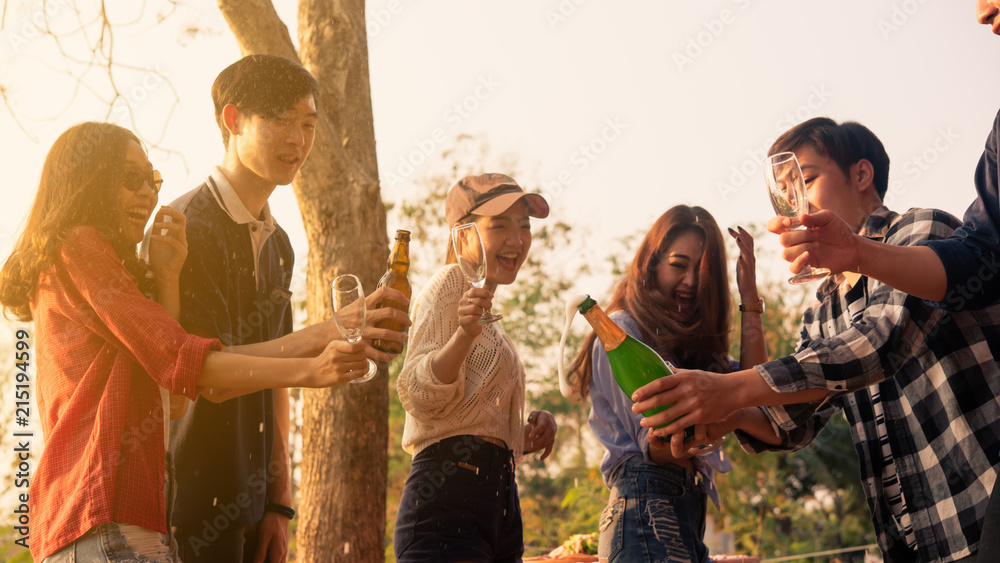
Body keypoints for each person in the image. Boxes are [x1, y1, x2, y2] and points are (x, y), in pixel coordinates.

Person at [630, 118, 1000, 562]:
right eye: (783, 191)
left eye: (806, 180)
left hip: (984, 516)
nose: (793, 204)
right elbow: (794, 420)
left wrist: (726, 389)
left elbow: (876, 346)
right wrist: (728, 415)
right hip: (916, 546)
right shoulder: (823, 312)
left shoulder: (922, 233)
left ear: (861, 176)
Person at [0, 122, 369, 562]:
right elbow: (184, 361)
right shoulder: (78, 247)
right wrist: (313, 362)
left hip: (126, 528)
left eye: (152, 180)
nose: (148, 194)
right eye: (130, 179)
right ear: (88, 181)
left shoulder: (104, 269)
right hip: (102, 522)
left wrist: (169, 277)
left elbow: (172, 398)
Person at [163, 54, 411, 563]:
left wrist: (279, 500)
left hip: (254, 507)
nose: (297, 139)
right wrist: (322, 345)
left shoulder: (279, 244)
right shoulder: (189, 229)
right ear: (232, 120)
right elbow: (205, 377)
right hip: (188, 507)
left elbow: (274, 379)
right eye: (280, 120)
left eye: (308, 124)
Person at [566, 205, 775, 562]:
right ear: (651, 263)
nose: (691, 281)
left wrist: (749, 296)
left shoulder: (695, 346)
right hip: (644, 501)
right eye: (678, 265)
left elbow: (757, 390)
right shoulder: (620, 334)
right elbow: (657, 449)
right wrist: (708, 424)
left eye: (703, 271)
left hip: (685, 510)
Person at [394, 173, 558, 563]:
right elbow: (416, 394)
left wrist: (522, 435)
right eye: (499, 226)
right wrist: (464, 335)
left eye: (524, 227)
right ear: (463, 235)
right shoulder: (449, 285)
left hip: (499, 507)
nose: (517, 241)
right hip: (447, 502)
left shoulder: (490, 320)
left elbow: (467, 421)